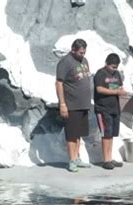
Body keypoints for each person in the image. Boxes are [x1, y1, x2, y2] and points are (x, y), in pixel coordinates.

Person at [56, 38, 92, 172]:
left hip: (83, 103)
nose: (83, 55)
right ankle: (71, 160)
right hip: (71, 104)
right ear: (73, 50)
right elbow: (59, 83)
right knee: (71, 133)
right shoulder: (65, 62)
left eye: (84, 52)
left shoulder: (84, 61)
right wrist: (62, 104)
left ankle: (77, 157)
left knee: (79, 133)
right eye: (81, 52)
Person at [94, 53, 127, 170]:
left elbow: (119, 87)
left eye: (116, 67)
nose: (114, 69)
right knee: (106, 134)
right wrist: (116, 92)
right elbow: (99, 89)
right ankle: (106, 160)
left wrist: (122, 91)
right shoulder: (100, 74)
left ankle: (110, 157)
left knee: (112, 134)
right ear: (106, 64)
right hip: (103, 108)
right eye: (112, 67)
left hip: (114, 108)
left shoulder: (117, 74)